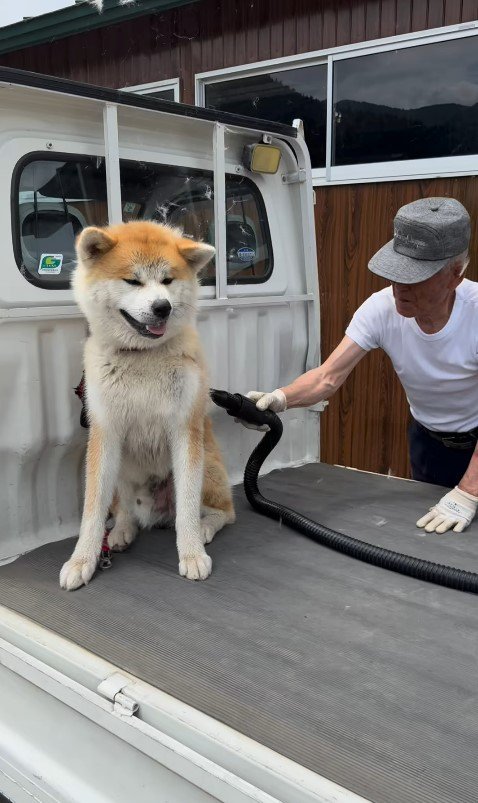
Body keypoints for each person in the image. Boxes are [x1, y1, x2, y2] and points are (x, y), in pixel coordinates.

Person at [245, 197, 478, 535]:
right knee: (434, 542)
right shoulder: (380, 309)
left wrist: (470, 490)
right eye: (395, 274)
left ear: (455, 274)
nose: (399, 288)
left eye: (415, 278)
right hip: (428, 441)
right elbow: (327, 377)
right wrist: (279, 399)